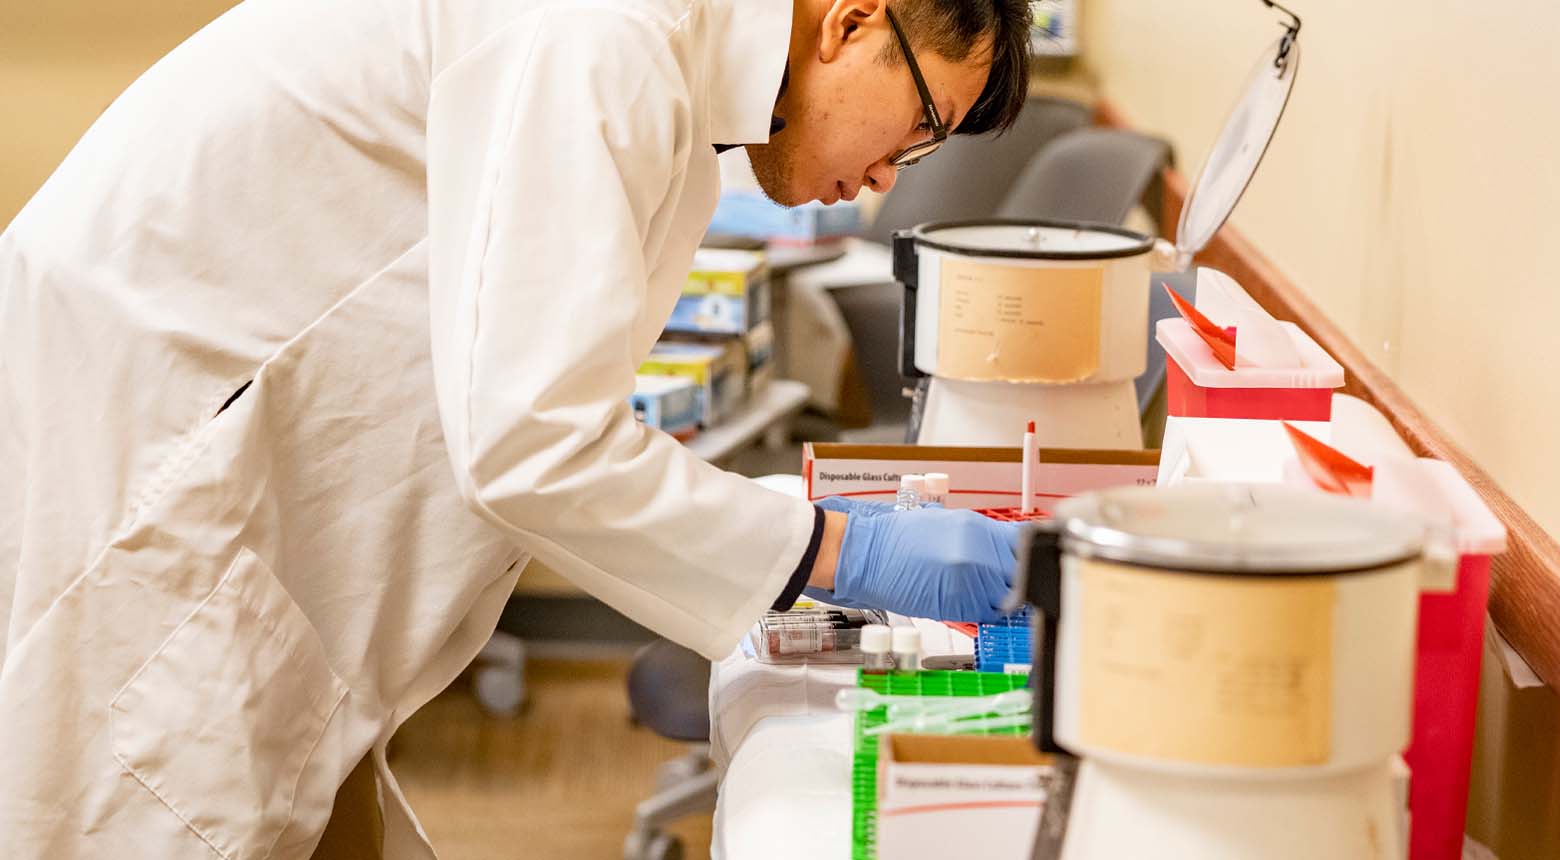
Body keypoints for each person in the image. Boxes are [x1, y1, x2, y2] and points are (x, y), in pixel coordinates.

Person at [0, 0, 1033, 855]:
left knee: (286, 790)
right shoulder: (609, 30)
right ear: (852, 21)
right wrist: (836, 546)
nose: (892, 174)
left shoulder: (671, 64)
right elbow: (534, 442)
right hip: (156, 458)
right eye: (922, 123)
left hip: (229, 459)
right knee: (159, 794)